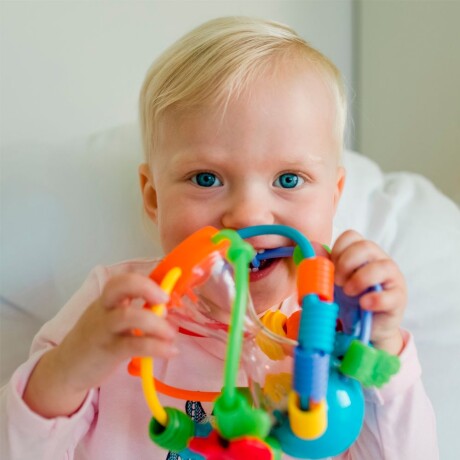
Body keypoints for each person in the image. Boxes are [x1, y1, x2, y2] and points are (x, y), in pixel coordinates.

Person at [1, 17, 438, 459]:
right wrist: (73, 366)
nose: (248, 214)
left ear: (333, 198)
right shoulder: (116, 305)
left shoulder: (338, 325)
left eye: (288, 179)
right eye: (206, 178)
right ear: (154, 199)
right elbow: (17, 446)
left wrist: (380, 347)